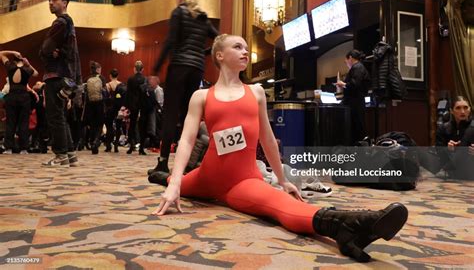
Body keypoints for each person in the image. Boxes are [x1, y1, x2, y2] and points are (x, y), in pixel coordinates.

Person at [149, 34, 408, 262]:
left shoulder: (257, 92)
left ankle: (348, 225)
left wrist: (283, 180)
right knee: (176, 181)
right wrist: (174, 183)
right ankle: (161, 176)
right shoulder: (202, 96)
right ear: (219, 55)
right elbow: (187, 139)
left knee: (280, 203)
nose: (245, 51)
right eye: (238, 47)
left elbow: (268, 139)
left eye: (246, 48)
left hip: (243, 180)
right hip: (207, 175)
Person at [151, 0, 218, 173]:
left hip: (179, 66)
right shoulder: (203, 18)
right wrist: (201, 53)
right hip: (197, 70)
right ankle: (187, 165)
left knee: (171, 115)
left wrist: (156, 68)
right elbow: (219, 40)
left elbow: (171, 41)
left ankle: (163, 163)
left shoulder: (178, 13)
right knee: (190, 117)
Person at [40, 0, 82, 167]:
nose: (51, 2)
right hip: (65, 75)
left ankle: (61, 155)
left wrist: (46, 52)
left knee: (54, 116)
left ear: (64, 2)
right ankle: (70, 154)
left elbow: (45, 49)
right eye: (49, 0)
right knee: (60, 116)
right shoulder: (68, 23)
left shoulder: (60, 23)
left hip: (56, 74)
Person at [0, 50, 38, 154]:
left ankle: (8, 148)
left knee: (10, 123)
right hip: (24, 97)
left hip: (11, 97)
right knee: (24, 123)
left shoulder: (10, 66)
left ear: (14, 59)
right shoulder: (27, 69)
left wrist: (12, 52)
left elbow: (1, 53)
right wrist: (28, 63)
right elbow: (36, 73)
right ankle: (24, 149)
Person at [336, 50, 370, 145]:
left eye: (345, 61)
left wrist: (343, 84)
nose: (346, 63)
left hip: (355, 103)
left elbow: (355, 84)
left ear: (350, 58)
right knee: (357, 127)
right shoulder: (358, 67)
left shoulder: (357, 67)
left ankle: (356, 152)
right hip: (356, 102)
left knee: (356, 128)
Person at [125, 60, 147, 155]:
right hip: (143, 105)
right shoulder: (145, 79)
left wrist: (127, 106)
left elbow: (128, 94)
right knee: (143, 126)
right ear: (142, 69)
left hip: (133, 105)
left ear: (134, 68)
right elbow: (146, 93)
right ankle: (141, 148)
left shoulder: (130, 79)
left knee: (132, 126)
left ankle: (131, 146)